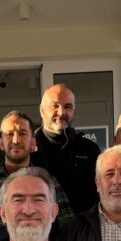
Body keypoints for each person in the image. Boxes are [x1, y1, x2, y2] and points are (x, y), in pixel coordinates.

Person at [0, 110, 74, 228]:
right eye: (10, 134)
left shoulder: (48, 181)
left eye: (22, 133)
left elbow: (68, 227)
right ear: (1, 143)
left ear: (33, 142)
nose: (16, 140)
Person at [33, 84, 100, 215]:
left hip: (82, 225)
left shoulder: (89, 149)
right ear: (42, 110)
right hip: (39, 225)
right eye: (55, 106)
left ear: (73, 111)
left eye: (67, 107)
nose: (61, 112)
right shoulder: (29, 150)